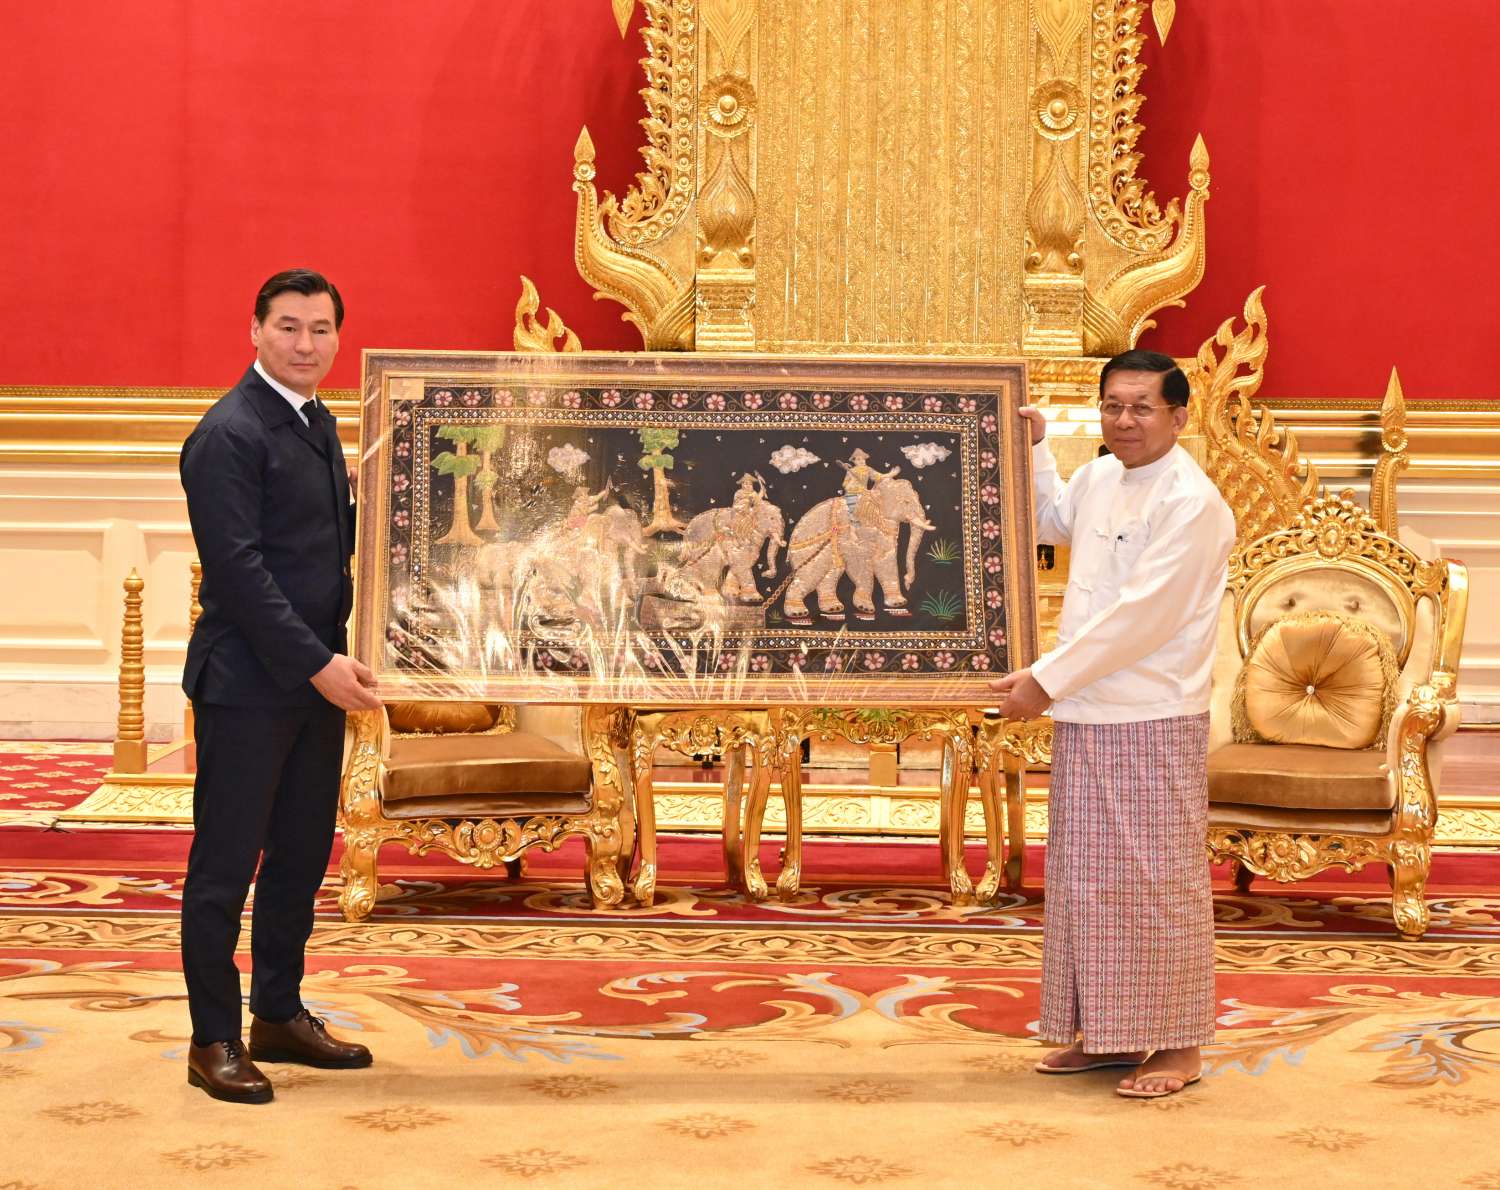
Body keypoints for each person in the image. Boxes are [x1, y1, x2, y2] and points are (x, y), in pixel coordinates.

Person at [990, 349, 1235, 1099]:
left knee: (1159, 880)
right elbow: (1049, 520)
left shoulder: (1192, 503)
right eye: (1112, 407)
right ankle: (1107, 1033)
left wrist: (1044, 680)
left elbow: (1143, 619)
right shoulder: (1101, 476)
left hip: (1151, 711)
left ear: (1179, 416)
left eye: (1141, 408)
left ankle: (1180, 1046)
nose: (1124, 421)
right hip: (1089, 709)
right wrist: (1032, 449)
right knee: (1088, 881)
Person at [179, 269, 381, 1104]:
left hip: (312, 684)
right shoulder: (229, 433)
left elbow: (333, 547)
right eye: (290, 327)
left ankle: (278, 1014)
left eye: (322, 329)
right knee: (226, 866)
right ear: (255, 331)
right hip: (247, 683)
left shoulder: (317, 421)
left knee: (299, 858)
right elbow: (242, 575)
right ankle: (214, 1038)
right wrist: (319, 664)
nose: (306, 345)